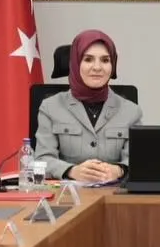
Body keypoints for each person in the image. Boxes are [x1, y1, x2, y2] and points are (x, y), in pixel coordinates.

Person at [33, 29, 142, 183]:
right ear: (76, 63)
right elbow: (42, 160)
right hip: (68, 194)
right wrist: (71, 171)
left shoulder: (131, 111)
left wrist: (118, 170)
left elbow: (138, 160)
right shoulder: (50, 107)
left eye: (105, 60)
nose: (97, 67)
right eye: (88, 59)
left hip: (113, 193)